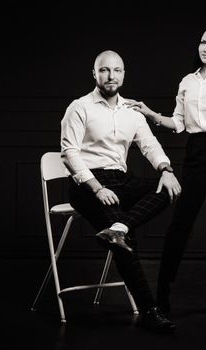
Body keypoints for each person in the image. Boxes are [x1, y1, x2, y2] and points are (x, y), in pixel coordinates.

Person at [125, 24, 206, 314]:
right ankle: (162, 293)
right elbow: (179, 123)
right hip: (197, 150)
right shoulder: (187, 81)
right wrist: (150, 114)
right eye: (203, 43)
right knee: (181, 222)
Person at [60, 50, 182, 333]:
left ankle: (119, 227)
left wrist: (165, 168)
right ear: (94, 74)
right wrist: (96, 187)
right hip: (88, 184)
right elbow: (68, 154)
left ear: (124, 74)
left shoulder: (131, 110)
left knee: (167, 186)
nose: (111, 76)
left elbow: (149, 145)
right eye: (104, 70)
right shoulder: (79, 107)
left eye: (116, 70)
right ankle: (150, 311)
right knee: (124, 245)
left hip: (121, 181)